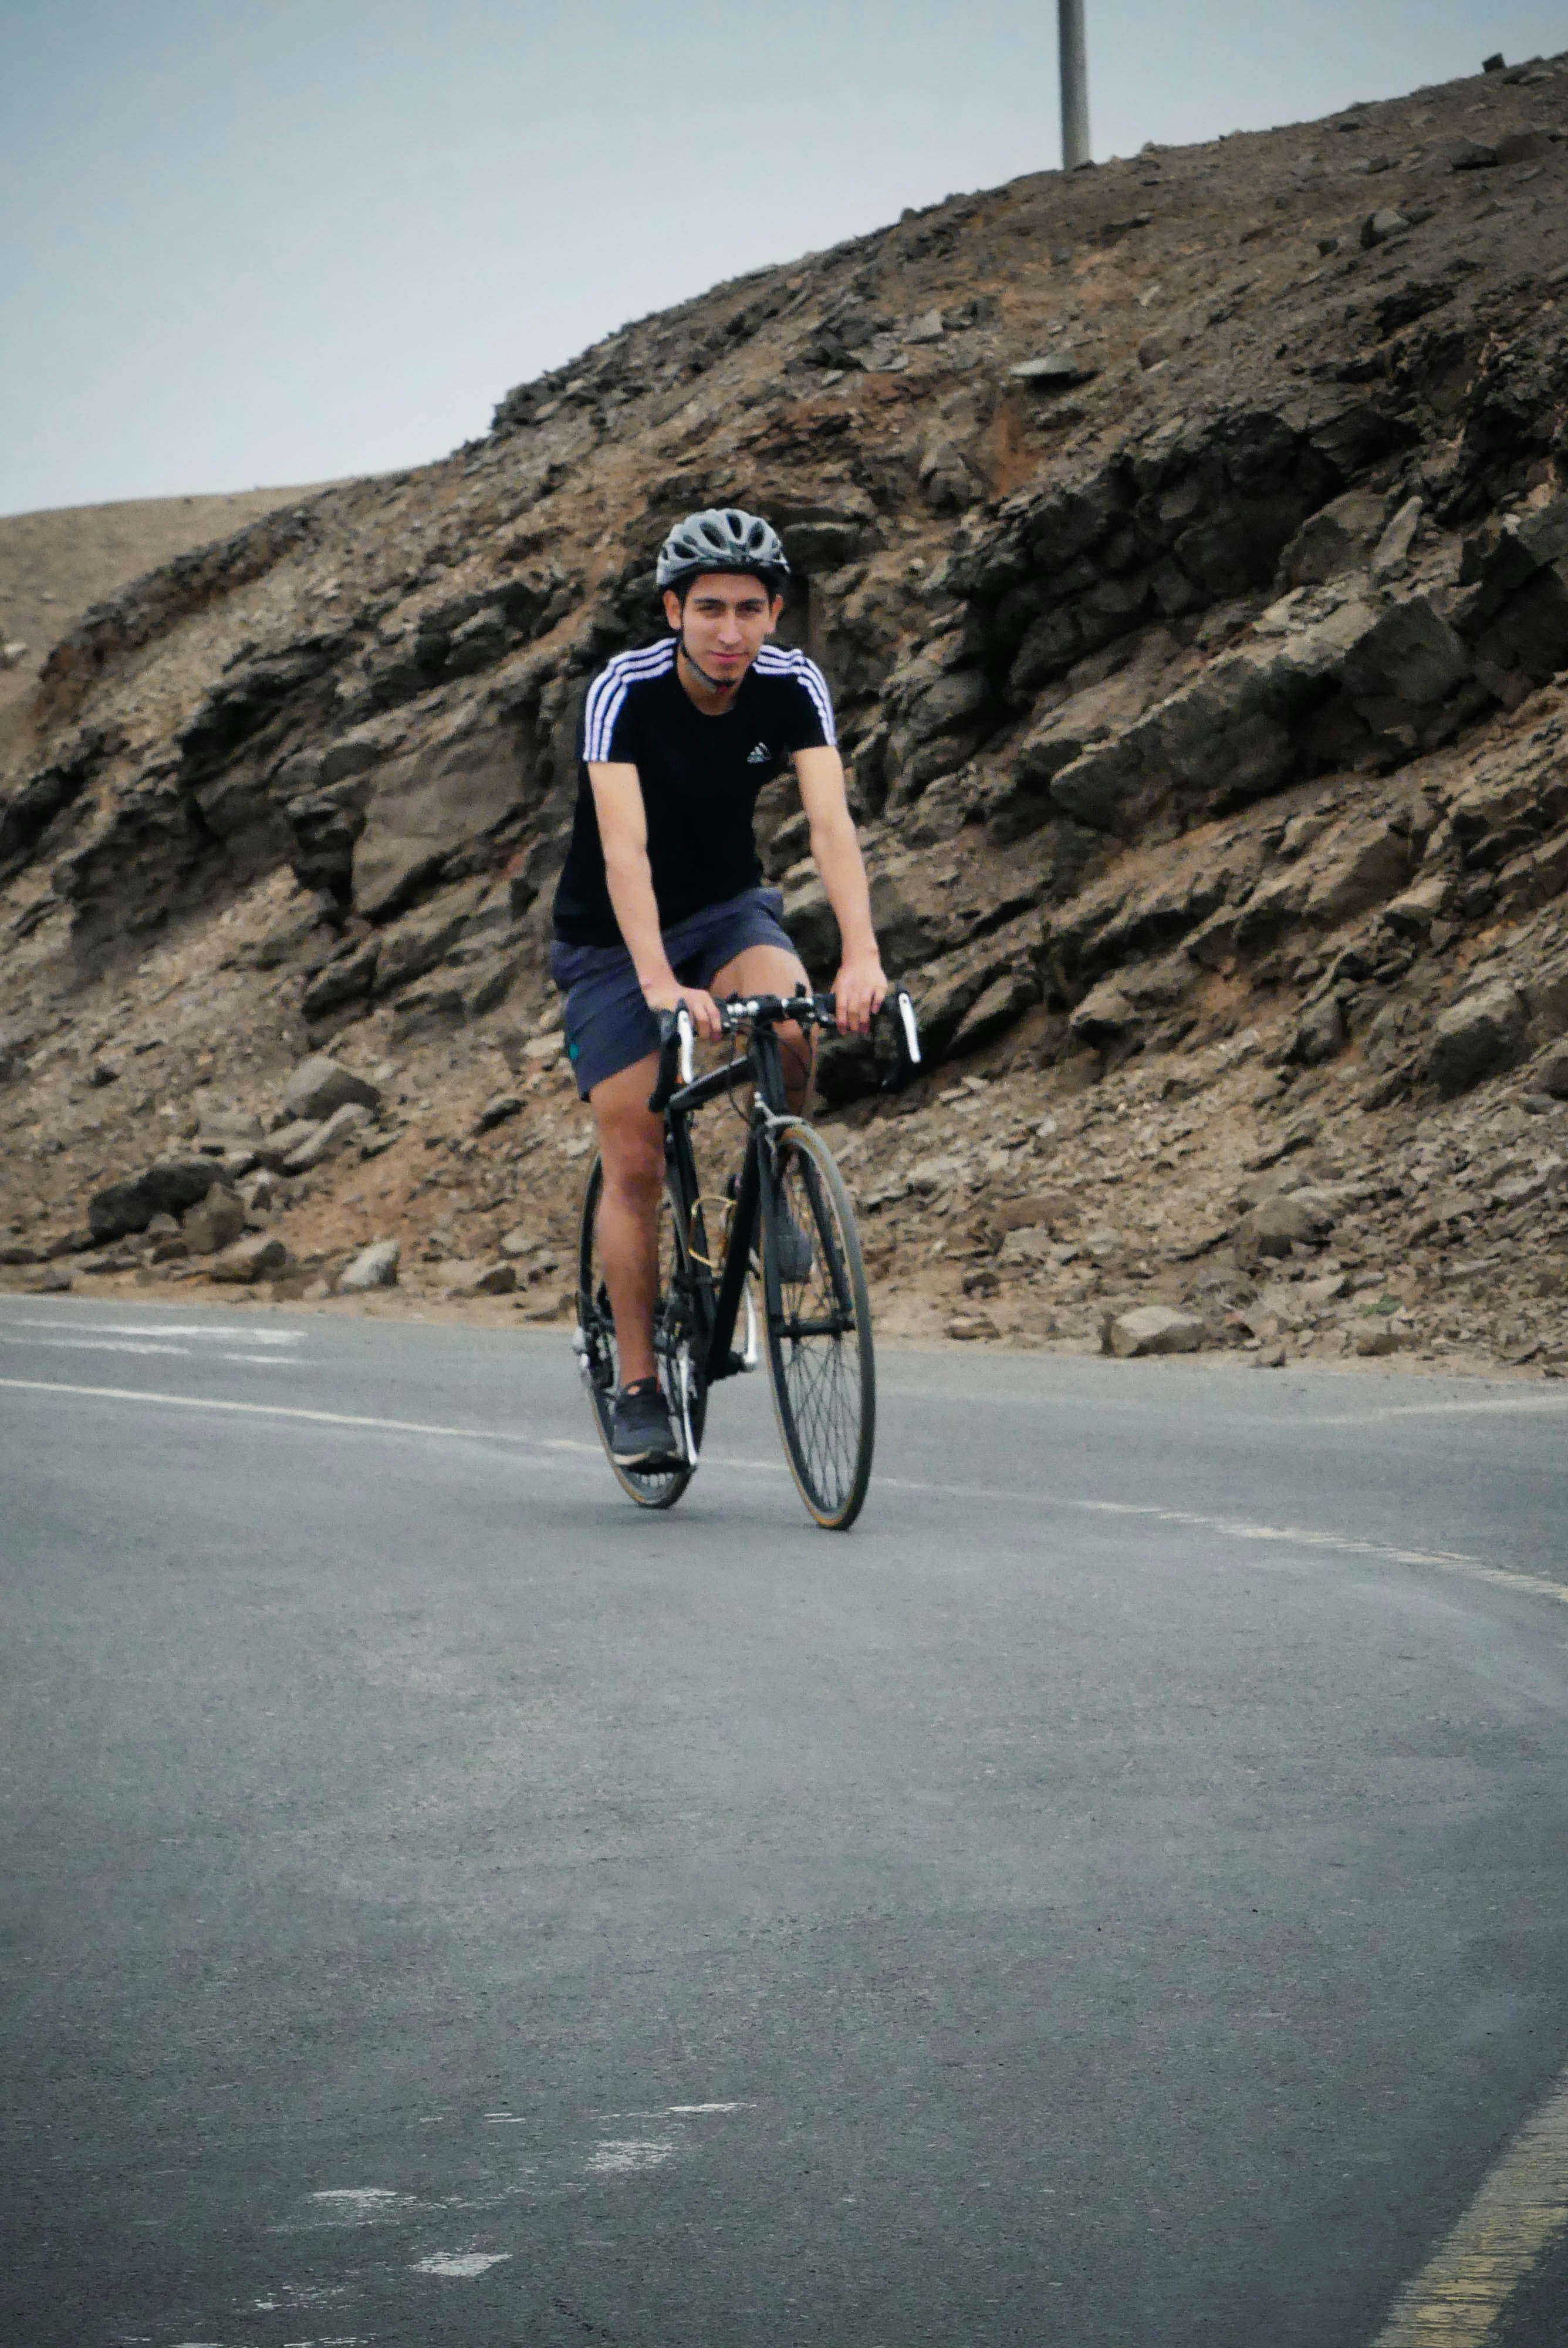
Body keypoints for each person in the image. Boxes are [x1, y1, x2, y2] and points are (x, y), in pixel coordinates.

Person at [551, 507, 888, 1469]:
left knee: (789, 1027)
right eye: (709, 610)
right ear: (673, 611)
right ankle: (639, 1386)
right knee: (638, 1161)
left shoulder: (790, 685)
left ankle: (770, 1180)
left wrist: (860, 956)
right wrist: (659, 982)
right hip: (613, 942)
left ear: (775, 613)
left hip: (729, 909)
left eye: (749, 609)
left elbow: (830, 826)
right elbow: (625, 849)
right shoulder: (625, 689)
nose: (730, 631)